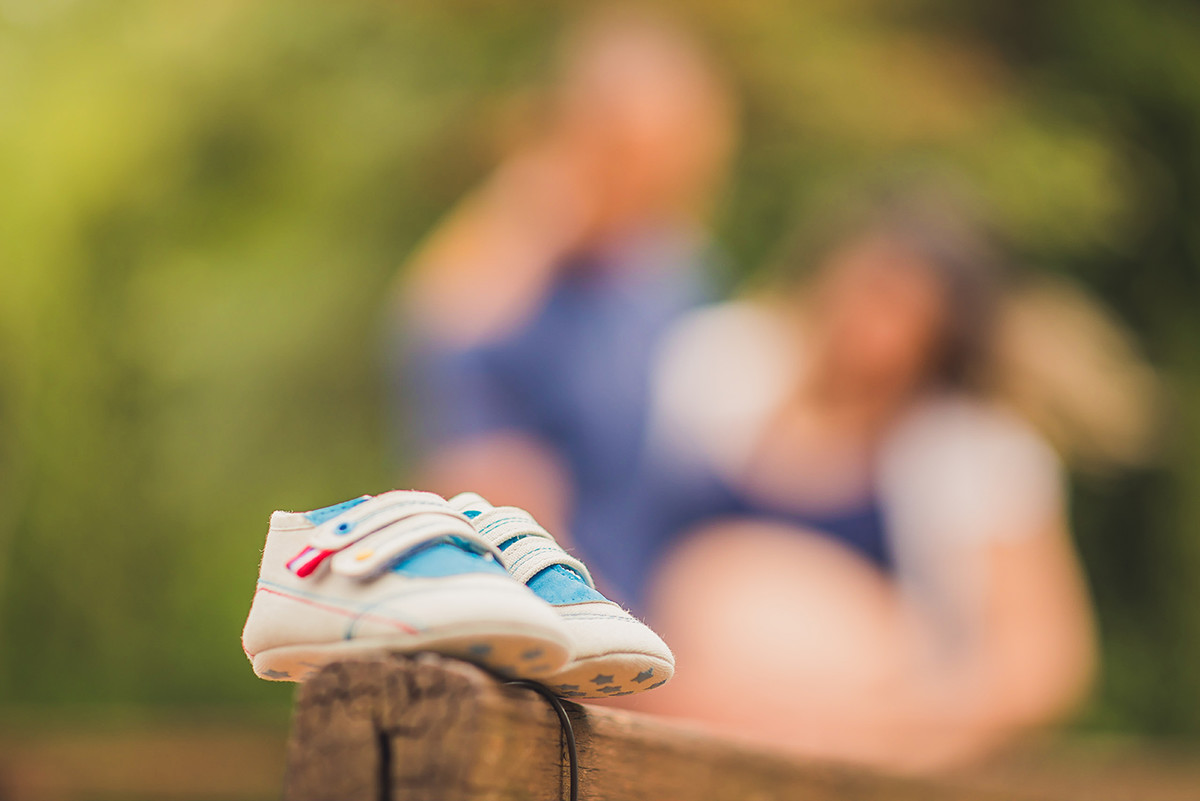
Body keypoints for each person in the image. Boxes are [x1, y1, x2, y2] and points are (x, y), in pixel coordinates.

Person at [620, 180, 1158, 771]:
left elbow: (1042, 663)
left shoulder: (977, 452)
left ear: (945, 332)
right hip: (666, 721)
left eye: (906, 310)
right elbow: (620, 527)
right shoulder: (715, 361)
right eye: (869, 291)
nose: (873, 325)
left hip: (845, 755)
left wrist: (875, 723)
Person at [391, 9, 737, 590]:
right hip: (549, 598)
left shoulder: (680, 268)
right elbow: (473, 463)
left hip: (657, 591)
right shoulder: (497, 274)